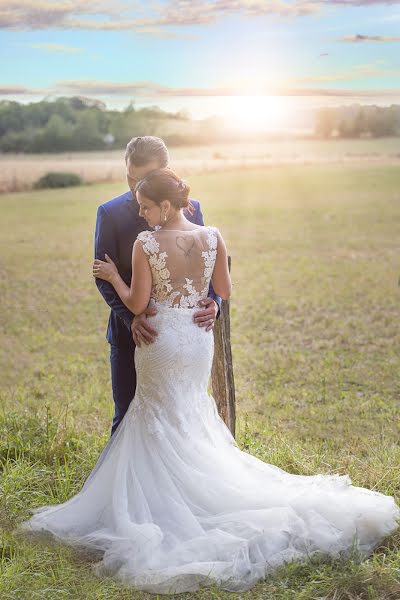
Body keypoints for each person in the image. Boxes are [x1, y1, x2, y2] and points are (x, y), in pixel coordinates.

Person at [19, 169, 400, 595]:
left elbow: (137, 303)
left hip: (162, 341)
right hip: (198, 340)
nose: (142, 214)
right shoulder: (213, 235)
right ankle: (188, 491)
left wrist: (113, 276)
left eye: (146, 206)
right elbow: (223, 289)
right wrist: (206, 304)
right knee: (188, 411)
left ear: (166, 205)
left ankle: (168, 504)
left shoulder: (145, 243)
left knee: (158, 415)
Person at [94, 136, 221, 435]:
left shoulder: (192, 209)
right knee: (127, 418)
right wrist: (132, 319)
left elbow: (210, 261)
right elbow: (103, 276)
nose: (134, 186)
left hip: (184, 338)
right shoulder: (109, 213)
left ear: (166, 172)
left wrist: (214, 301)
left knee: (182, 417)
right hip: (130, 336)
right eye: (129, 177)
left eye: (144, 179)